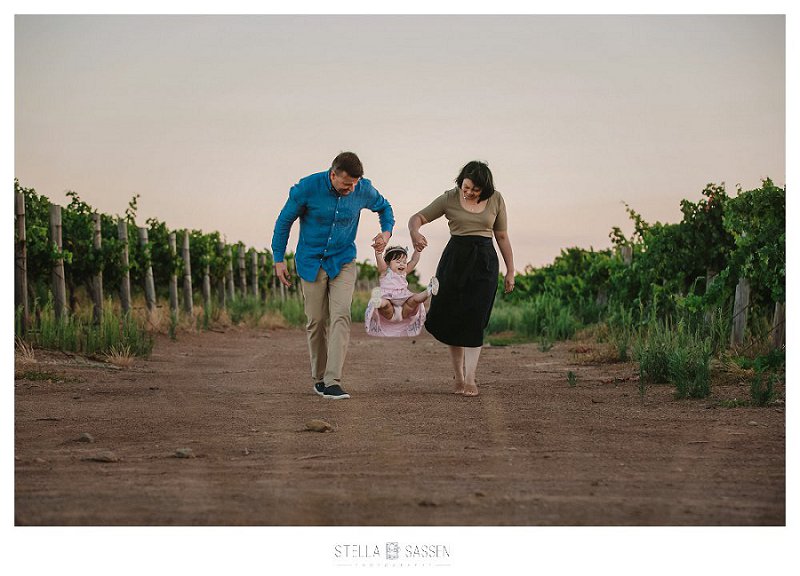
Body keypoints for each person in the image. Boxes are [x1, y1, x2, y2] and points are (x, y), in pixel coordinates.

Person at [271, 152, 394, 400]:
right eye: (346, 183)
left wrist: (386, 233)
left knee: (341, 315)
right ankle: (319, 378)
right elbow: (284, 221)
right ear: (333, 174)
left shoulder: (363, 189)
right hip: (311, 262)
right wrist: (278, 258)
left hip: (343, 260)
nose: (351, 188)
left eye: (355, 184)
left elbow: (384, 207)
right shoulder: (307, 188)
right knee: (316, 320)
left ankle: (333, 381)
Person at [408, 160, 515, 397]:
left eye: (475, 190)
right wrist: (415, 232)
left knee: (475, 319)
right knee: (452, 317)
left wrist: (510, 270)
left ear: (485, 188)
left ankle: (470, 379)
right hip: (455, 261)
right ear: (461, 181)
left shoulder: (496, 199)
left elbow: (502, 236)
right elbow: (417, 218)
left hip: (484, 263)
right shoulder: (449, 198)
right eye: (466, 187)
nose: (469, 192)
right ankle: (457, 376)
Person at [364, 245, 439, 337]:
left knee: (414, 300)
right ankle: (377, 301)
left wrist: (418, 251)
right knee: (386, 305)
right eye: (398, 261)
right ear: (387, 263)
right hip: (390, 308)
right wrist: (378, 253)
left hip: (403, 308)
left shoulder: (404, 272)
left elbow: (414, 261)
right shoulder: (385, 272)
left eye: (404, 262)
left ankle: (429, 290)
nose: (402, 264)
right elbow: (380, 263)